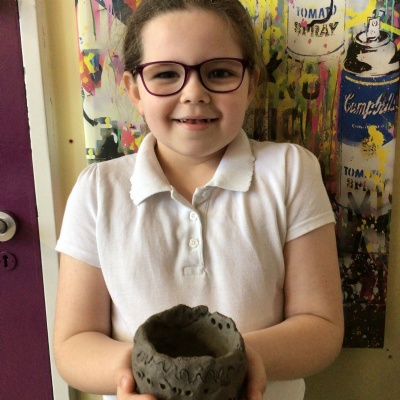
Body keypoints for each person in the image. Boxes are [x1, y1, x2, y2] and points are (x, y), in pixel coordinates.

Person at [53, 0, 344, 399]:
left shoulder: (291, 172)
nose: (194, 93)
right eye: (166, 74)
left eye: (220, 72)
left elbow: (321, 325)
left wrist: (240, 361)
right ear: (134, 89)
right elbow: (73, 342)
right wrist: (136, 373)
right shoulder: (97, 191)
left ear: (251, 83)